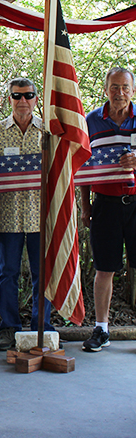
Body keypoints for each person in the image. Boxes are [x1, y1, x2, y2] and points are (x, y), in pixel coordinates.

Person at [0, 78, 53, 351]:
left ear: (36, 98)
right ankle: (8, 328)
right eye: (16, 95)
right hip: (8, 216)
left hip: (41, 217)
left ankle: (42, 327)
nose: (22, 100)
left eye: (28, 95)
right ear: (9, 99)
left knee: (42, 274)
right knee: (7, 273)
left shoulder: (48, 132)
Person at [80, 66, 136, 352]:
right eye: (114, 87)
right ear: (106, 89)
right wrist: (85, 206)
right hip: (105, 204)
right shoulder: (91, 121)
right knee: (104, 269)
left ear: (133, 91)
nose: (120, 93)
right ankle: (101, 329)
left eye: (125, 88)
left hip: (135, 202)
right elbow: (83, 166)